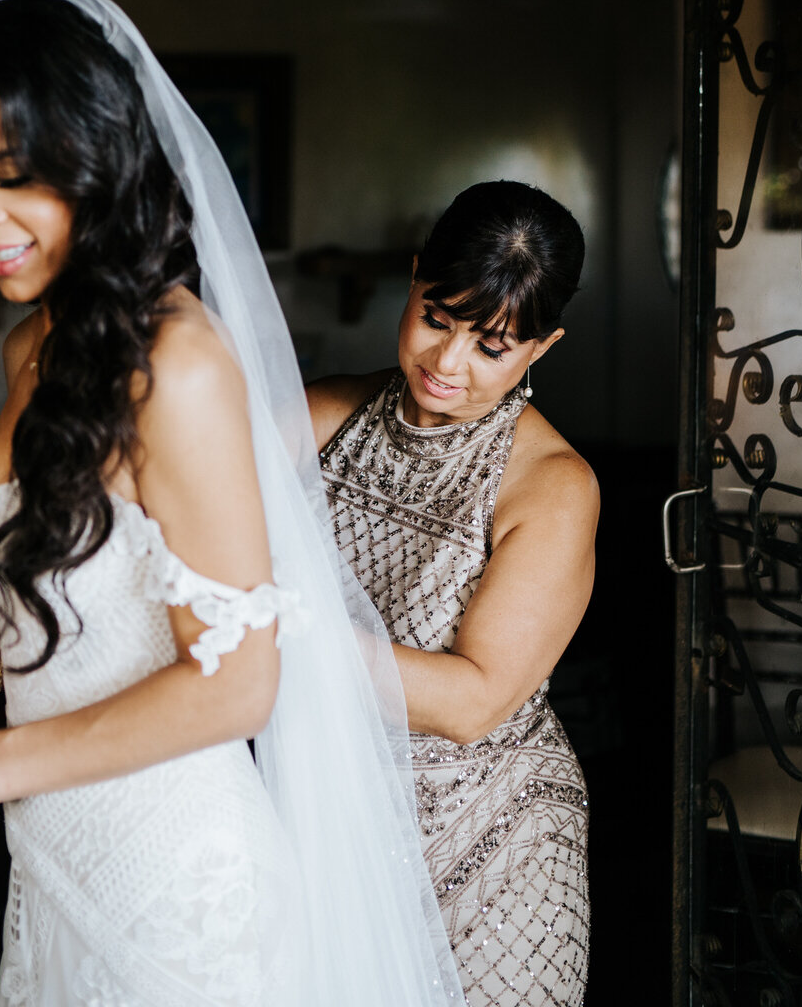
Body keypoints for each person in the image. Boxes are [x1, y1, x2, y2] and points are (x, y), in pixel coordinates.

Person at [0, 0, 462, 1007]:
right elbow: (83, 580)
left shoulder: (179, 366)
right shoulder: (33, 343)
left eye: (9, 173)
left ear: (98, 161)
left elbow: (234, 683)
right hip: (57, 862)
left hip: (177, 894)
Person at [308, 181, 598, 1007]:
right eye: (436, 319)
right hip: (332, 817)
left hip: (493, 845)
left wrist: (273, 635)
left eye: (492, 346)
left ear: (540, 349)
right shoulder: (324, 412)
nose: (447, 364)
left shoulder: (551, 485)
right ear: (411, 282)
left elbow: (473, 701)